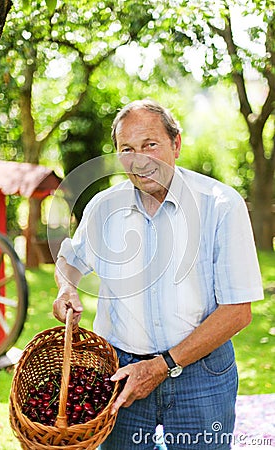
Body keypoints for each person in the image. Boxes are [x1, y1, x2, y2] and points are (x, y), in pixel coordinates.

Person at [53, 99, 264, 449]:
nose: (140, 159)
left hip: (202, 376)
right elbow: (70, 260)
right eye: (127, 149)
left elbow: (238, 312)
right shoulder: (105, 206)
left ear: (176, 144)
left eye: (150, 144)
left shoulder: (220, 205)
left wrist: (161, 366)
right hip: (120, 375)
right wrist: (66, 289)